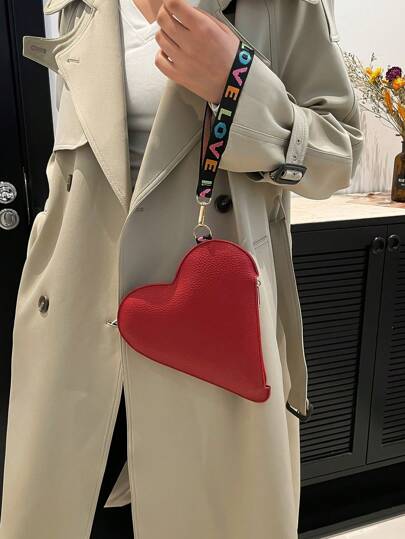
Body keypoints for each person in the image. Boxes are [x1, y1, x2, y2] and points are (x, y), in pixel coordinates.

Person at [0, 0, 364, 538]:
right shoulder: (83, 7)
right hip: (72, 329)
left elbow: (340, 156)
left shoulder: (278, 8)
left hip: (208, 338)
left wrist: (237, 84)